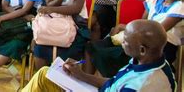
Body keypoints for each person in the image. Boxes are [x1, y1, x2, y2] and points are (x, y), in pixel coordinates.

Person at [23, 20, 176, 92]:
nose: (121, 40)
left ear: (142, 49)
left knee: (44, 78)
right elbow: (115, 83)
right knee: (45, 74)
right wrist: (81, 75)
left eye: (125, 40)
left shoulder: (141, 86)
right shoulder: (154, 62)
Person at [85, 0, 183, 77]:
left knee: (104, 54)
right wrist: (125, 29)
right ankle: (85, 85)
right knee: (91, 47)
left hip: (157, 50)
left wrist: (126, 29)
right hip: (140, 40)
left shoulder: (179, 8)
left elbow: (157, 32)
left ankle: (101, 82)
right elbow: (142, 23)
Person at [32, 0, 89, 70]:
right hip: (53, 19)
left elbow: (75, 8)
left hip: (76, 20)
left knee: (73, 48)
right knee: (40, 46)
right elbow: (49, 3)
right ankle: (43, 79)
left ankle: (64, 81)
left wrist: (50, 9)